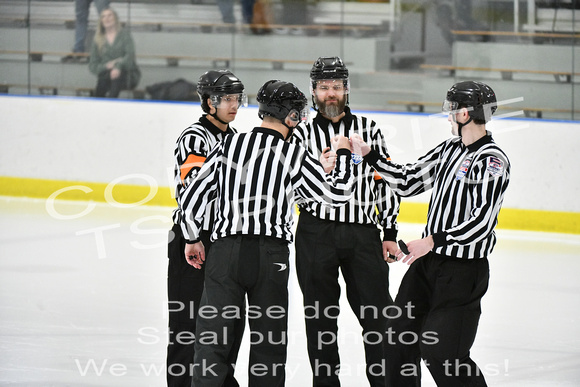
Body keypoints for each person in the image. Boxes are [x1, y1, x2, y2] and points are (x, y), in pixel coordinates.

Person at [180, 79, 354, 386]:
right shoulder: (294, 154)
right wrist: (341, 160)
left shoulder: (229, 144)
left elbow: (192, 195)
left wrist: (192, 237)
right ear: (290, 116)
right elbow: (335, 196)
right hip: (270, 259)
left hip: (225, 254)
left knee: (212, 343)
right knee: (269, 347)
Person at [350, 80, 511, 386]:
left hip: (462, 272)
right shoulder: (449, 149)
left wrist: (433, 240)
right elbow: (410, 180)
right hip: (428, 266)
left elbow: (482, 222)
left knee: (442, 352)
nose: (448, 116)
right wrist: (371, 155)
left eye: (451, 110)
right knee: (396, 339)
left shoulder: (492, 160)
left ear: (465, 114)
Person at [290, 56, 400, 387]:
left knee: (380, 318)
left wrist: (390, 232)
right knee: (320, 321)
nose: (331, 94)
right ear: (313, 91)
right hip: (315, 232)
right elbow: (289, 184)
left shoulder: (369, 130)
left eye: (336, 87)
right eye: (323, 88)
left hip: (363, 234)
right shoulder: (299, 134)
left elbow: (387, 181)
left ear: (347, 89)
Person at [167, 70, 247, 387]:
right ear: (207, 102)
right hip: (193, 242)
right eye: (225, 98)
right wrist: (192, 236)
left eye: (236, 98)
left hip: (224, 243)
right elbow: (188, 192)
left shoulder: (235, 139)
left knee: (228, 326)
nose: (233, 105)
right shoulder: (194, 138)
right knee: (187, 327)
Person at [88, 7, 140, 98]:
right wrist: (106, 66)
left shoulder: (125, 36)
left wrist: (117, 66)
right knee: (104, 79)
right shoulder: (97, 39)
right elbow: (93, 65)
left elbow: (130, 57)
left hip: (128, 74)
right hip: (106, 75)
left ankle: (111, 104)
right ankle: (97, 104)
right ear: (101, 21)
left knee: (116, 76)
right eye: (103, 16)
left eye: (109, 15)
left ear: (115, 19)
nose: (107, 19)